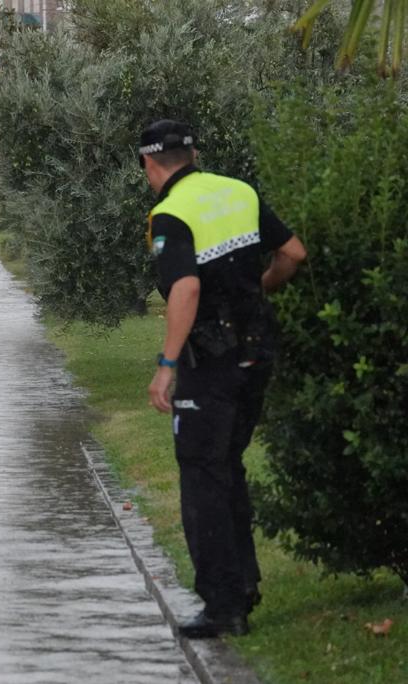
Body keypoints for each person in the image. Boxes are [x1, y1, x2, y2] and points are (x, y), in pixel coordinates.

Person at [139, 120, 306, 639]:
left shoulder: (169, 214)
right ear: (193, 154)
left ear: (149, 165)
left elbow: (185, 289)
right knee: (226, 465)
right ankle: (244, 583)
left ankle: (224, 603)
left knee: (203, 476)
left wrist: (167, 366)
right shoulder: (240, 192)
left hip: (209, 364)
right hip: (257, 353)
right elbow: (293, 253)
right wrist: (259, 288)